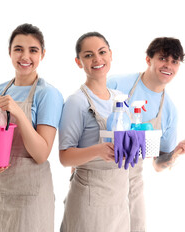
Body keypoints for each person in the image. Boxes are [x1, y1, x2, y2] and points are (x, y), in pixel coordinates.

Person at [0, 23, 63, 232]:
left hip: (30, 194)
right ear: (9, 52)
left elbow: (41, 153)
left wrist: (18, 112)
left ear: (42, 54)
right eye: (18, 49)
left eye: (33, 50)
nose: (25, 56)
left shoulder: (48, 94)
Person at [107, 37, 185, 232]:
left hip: (132, 182)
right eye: (163, 58)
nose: (169, 66)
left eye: (175, 61)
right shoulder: (115, 84)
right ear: (149, 60)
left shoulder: (170, 111)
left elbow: (158, 165)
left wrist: (176, 152)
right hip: (100, 173)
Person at [59, 32, 131, 232]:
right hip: (89, 200)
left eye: (102, 52)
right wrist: (98, 150)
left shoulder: (120, 99)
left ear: (110, 55)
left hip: (119, 199)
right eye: (89, 55)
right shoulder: (77, 101)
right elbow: (65, 158)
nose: (97, 59)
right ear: (78, 62)